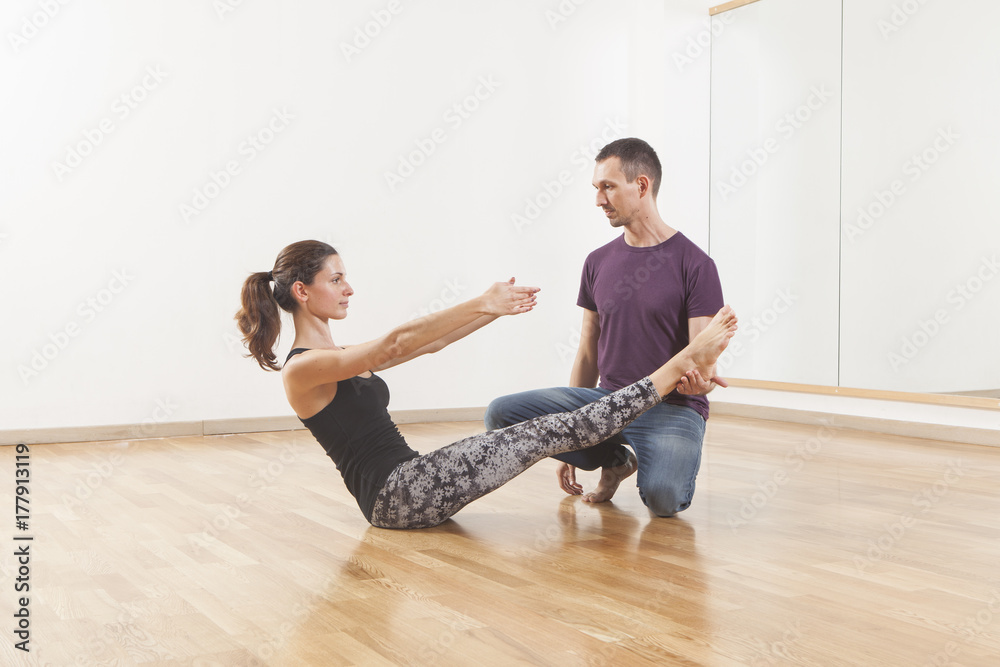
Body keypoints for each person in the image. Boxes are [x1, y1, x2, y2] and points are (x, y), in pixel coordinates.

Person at [236, 240, 737, 529]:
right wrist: (479, 301)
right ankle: (679, 365)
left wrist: (491, 313)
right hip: (396, 496)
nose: (348, 288)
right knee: (545, 430)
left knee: (543, 429)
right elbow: (392, 344)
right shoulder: (302, 369)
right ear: (302, 291)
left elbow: (428, 344)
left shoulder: (333, 357)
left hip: (412, 478)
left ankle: (626, 441)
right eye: (336, 279)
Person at [485, 138, 725, 517]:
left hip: (672, 407)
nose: (599, 199)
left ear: (641, 185)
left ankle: (645, 466)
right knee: (500, 414)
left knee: (663, 500)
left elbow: (703, 361)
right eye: (596, 188)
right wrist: (564, 440)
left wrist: (702, 384)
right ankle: (615, 461)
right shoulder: (597, 262)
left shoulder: (695, 265)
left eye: (607, 187)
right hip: (607, 402)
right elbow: (587, 351)